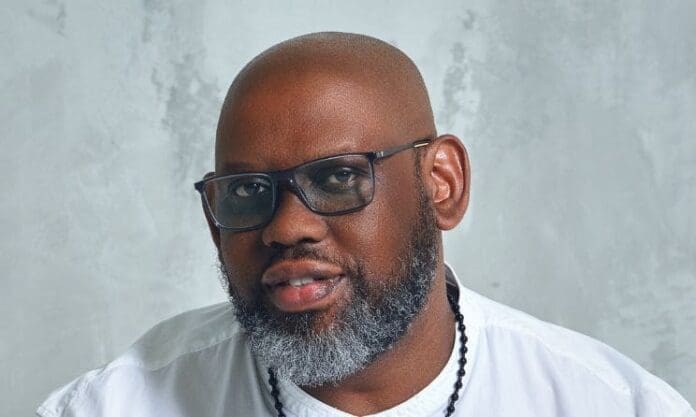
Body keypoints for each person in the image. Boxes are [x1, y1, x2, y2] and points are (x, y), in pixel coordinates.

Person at [38, 32, 694, 417]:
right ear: (215, 225)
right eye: (247, 192)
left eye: (338, 177)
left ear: (443, 184)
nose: (288, 226)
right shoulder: (123, 404)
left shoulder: (605, 403)